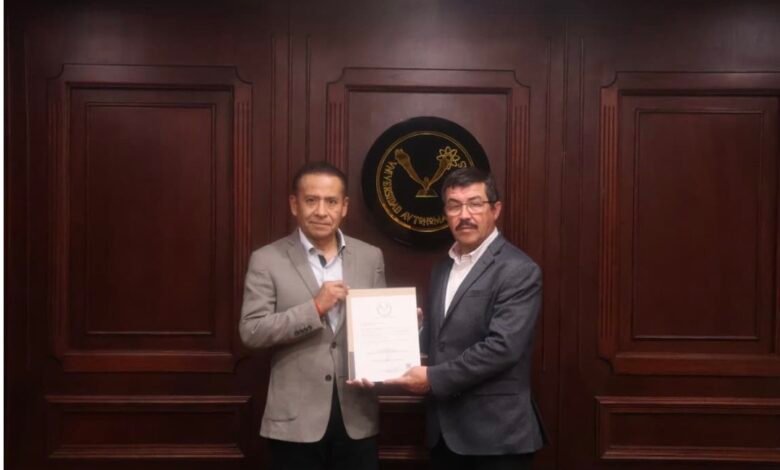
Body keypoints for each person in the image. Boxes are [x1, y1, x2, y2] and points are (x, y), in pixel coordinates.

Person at [386, 167, 546, 470]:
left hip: (496, 437)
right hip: (444, 434)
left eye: (475, 204)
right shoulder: (443, 268)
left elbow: (503, 348)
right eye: (454, 206)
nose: (464, 215)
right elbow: (444, 339)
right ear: (445, 213)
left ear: (495, 210)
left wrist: (432, 378)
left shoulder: (518, 270)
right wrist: (415, 330)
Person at [239, 161, 386, 470]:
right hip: (295, 420)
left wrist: (403, 325)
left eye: (331, 201)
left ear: (344, 207)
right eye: (311, 200)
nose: (321, 211)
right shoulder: (266, 259)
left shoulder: (370, 256)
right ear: (295, 204)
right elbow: (252, 331)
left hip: (357, 416)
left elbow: (377, 325)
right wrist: (315, 308)